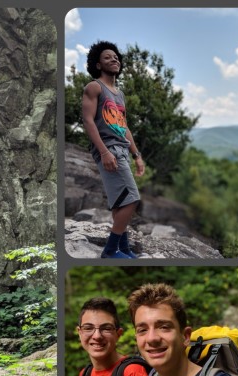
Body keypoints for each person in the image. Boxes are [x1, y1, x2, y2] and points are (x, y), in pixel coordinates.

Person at [81, 41, 145, 259]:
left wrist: (137, 155)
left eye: (116, 57)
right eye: (108, 57)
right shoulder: (94, 87)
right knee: (133, 199)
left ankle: (124, 248)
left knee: (120, 201)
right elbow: (88, 122)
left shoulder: (119, 94)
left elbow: (123, 126)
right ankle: (110, 251)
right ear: (98, 64)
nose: (114, 59)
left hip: (122, 150)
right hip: (109, 149)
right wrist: (105, 152)